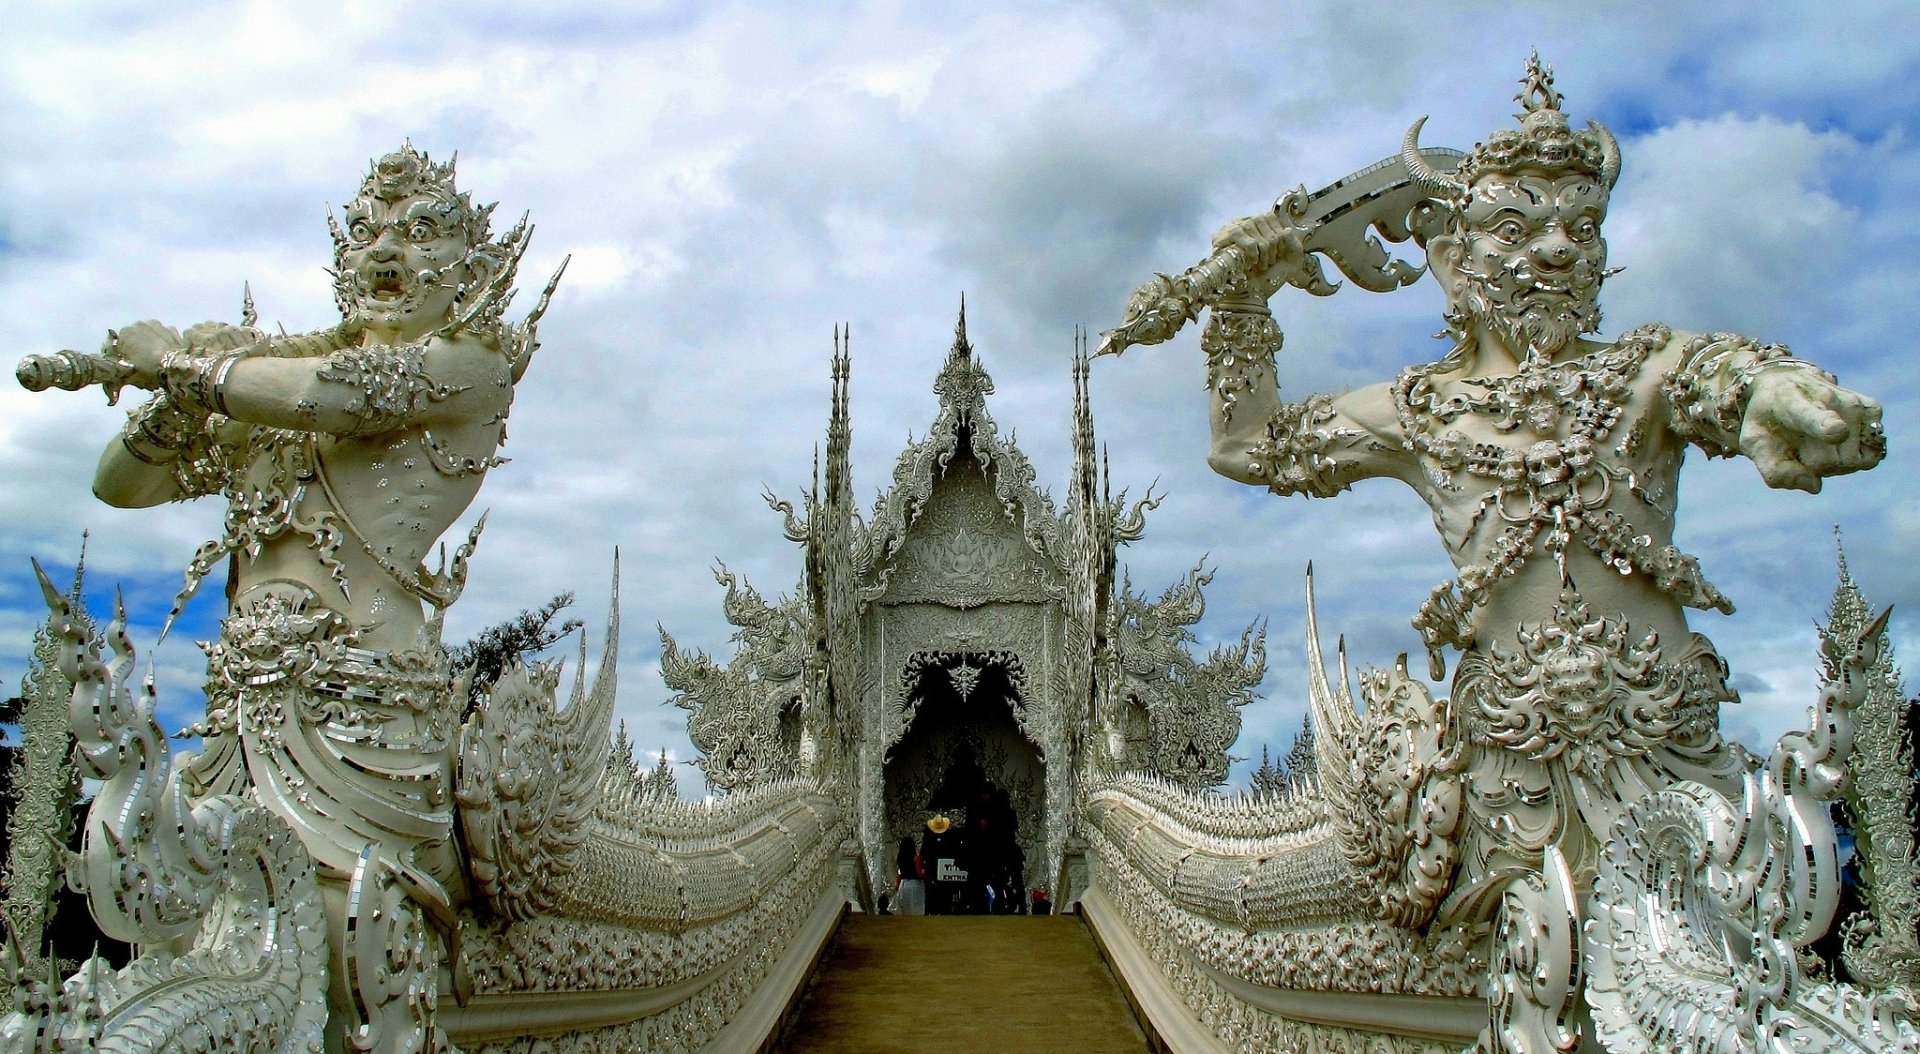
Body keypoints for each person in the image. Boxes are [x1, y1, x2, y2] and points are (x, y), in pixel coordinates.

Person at [1188, 55, 1884, 886]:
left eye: (1580, 230)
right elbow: (1245, 446)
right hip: (1504, 784)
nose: (1556, 251)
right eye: (1515, 231)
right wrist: (1238, 306)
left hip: (1674, 768)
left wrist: (1775, 394)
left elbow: (1728, 378)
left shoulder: (1648, 371)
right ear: (1454, 259)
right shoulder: (1420, 410)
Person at [894, 835, 926, 916]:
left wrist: (897, 886)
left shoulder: (900, 858)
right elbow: (919, 873)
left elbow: (899, 873)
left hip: (903, 884)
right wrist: (928, 879)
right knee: (916, 909)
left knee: (904, 909)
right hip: (915, 884)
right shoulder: (916, 858)